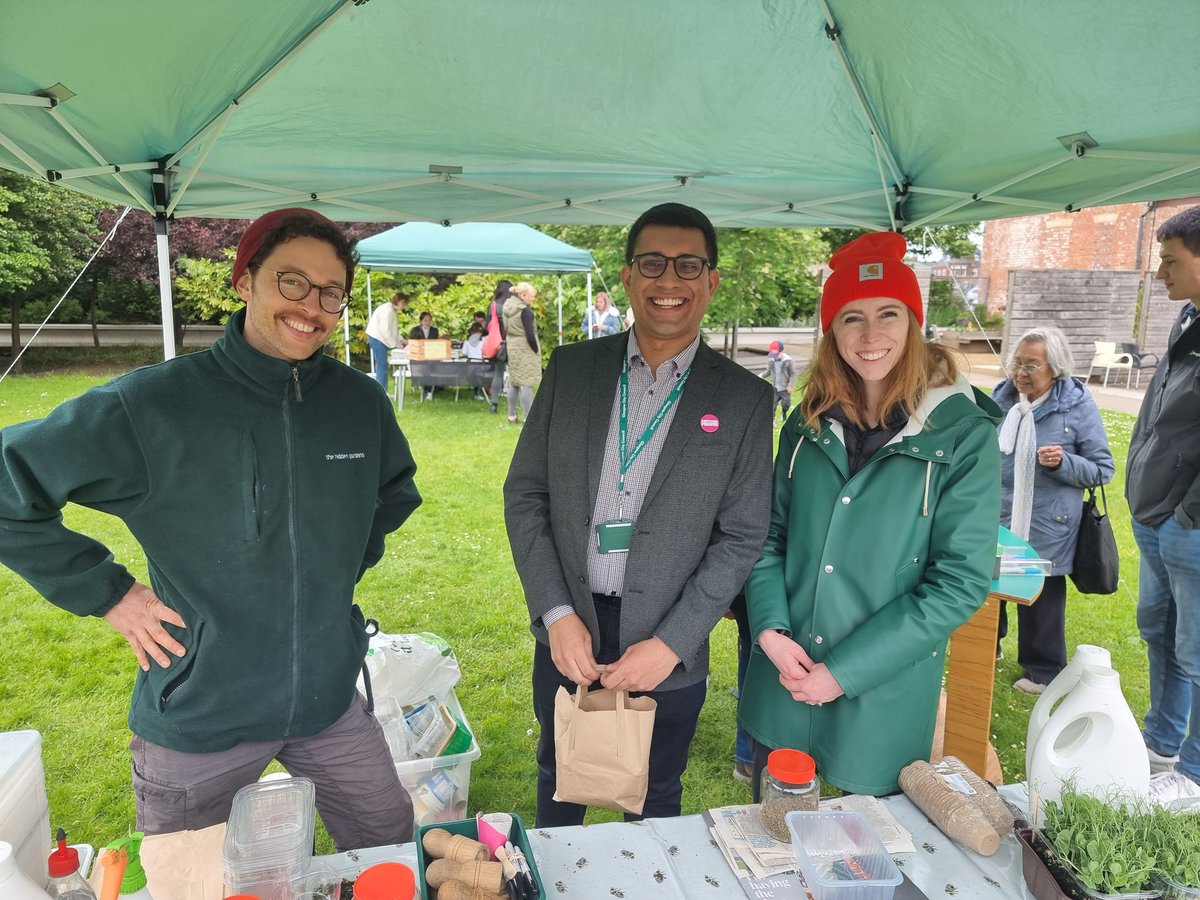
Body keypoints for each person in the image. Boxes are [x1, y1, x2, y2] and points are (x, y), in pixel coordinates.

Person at [0, 208, 422, 850]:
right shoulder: (152, 405)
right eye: (291, 281)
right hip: (201, 708)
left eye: (330, 291)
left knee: (389, 843)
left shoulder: (358, 402)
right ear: (244, 280)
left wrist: (338, 564)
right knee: (190, 879)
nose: (312, 305)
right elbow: (8, 483)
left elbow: (392, 493)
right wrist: (109, 593)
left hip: (327, 701)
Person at [504, 202, 773, 826]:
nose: (669, 281)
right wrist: (556, 613)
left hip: (668, 636)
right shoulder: (572, 371)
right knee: (560, 779)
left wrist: (673, 644)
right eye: (652, 263)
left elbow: (741, 535)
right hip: (570, 624)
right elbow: (526, 494)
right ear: (628, 277)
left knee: (654, 798)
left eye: (688, 265)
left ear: (711, 281)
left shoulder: (744, 399)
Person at [740, 231, 1002, 798]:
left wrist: (844, 672)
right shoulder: (807, 421)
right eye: (851, 318)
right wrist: (769, 629)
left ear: (914, 320)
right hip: (786, 669)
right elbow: (768, 536)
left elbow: (958, 582)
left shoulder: (962, 433)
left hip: (880, 690)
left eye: (888, 313)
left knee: (868, 859)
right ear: (831, 331)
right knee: (773, 836)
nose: (871, 334)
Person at [993, 326, 1114, 694]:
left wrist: (1063, 462)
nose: (1021, 373)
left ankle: (1043, 670)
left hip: (1048, 521)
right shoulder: (1001, 400)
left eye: (1032, 365)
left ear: (1055, 369)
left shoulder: (1076, 407)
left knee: (1041, 594)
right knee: (989, 581)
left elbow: (1102, 469)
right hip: (998, 513)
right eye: (1017, 363)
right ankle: (987, 646)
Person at [1127, 205, 1200, 805]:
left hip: (1190, 525)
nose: (1160, 275)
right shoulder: (1187, 320)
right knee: (1160, 630)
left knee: (1198, 649)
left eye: (1171, 262)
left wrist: (1189, 518)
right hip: (1156, 515)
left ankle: (1195, 777)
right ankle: (1163, 744)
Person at [502, 281, 542, 424]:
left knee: (514, 382)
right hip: (525, 348)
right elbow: (530, 335)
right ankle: (528, 418)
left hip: (512, 346)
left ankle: (512, 415)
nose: (533, 299)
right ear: (523, 295)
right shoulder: (525, 310)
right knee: (527, 383)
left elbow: (504, 329)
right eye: (532, 296)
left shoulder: (507, 306)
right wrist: (536, 349)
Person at [365, 291, 408, 390]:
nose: (404, 306)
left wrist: (402, 340)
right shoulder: (387, 310)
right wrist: (396, 344)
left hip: (380, 338)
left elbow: (393, 330)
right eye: (403, 304)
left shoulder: (392, 309)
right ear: (398, 301)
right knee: (382, 366)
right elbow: (385, 330)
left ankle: (381, 389)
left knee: (382, 365)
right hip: (377, 338)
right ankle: (382, 390)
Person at [485, 280, 513, 414]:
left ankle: (494, 404)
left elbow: (487, 326)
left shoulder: (493, 306)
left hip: (498, 345)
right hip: (512, 342)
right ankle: (513, 406)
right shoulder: (512, 305)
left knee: (498, 374)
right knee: (515, 375)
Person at [764, 339, 797, 424]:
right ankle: (772, 420)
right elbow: (768, 371)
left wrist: (790, 385)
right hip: (775, 387)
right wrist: (760, 376)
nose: (775, 356)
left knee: (786, 404)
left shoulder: (788, 361)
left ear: (782, 352)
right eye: (773, 354)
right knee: (772, 405)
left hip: (785, 388)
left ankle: (784, 412)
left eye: (776, 354)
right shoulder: (772, 360)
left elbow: (793, 373)